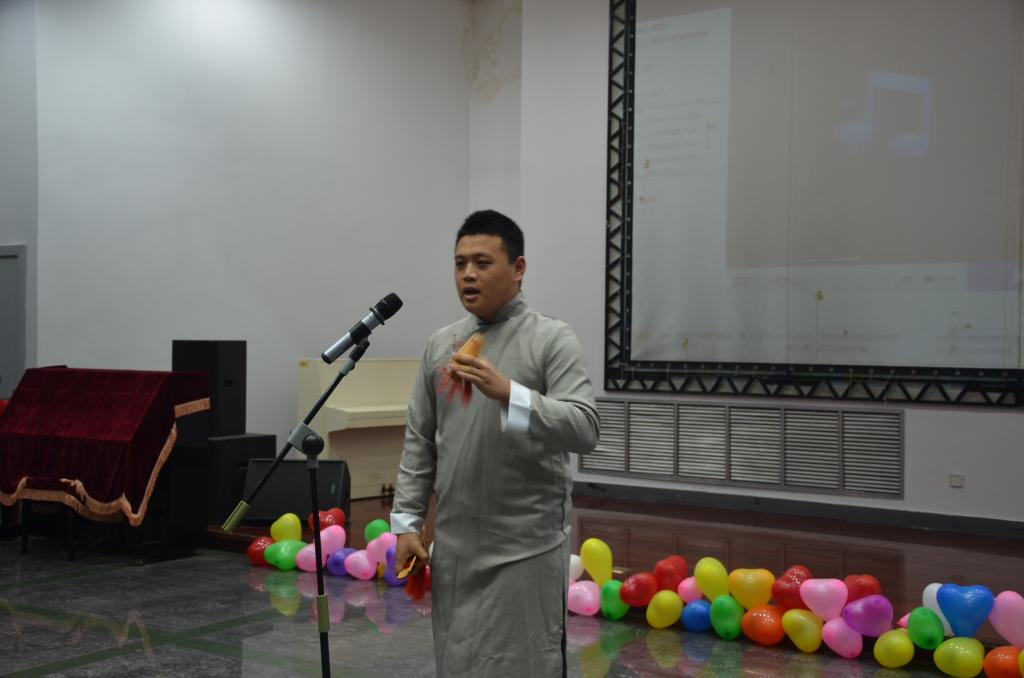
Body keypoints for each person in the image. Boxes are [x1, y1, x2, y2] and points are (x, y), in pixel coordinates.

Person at [390, 209, 600, 677]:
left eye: (482, 263)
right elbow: (420, 439)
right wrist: (406, 523)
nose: (468, 274)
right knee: (458, 663)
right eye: (460, 263)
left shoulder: (551, 338)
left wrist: (510, 394)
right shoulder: (442, 344)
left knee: (520, 665)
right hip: (455, 548)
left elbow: (584, 428)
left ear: (518, 268)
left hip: (524, 549)